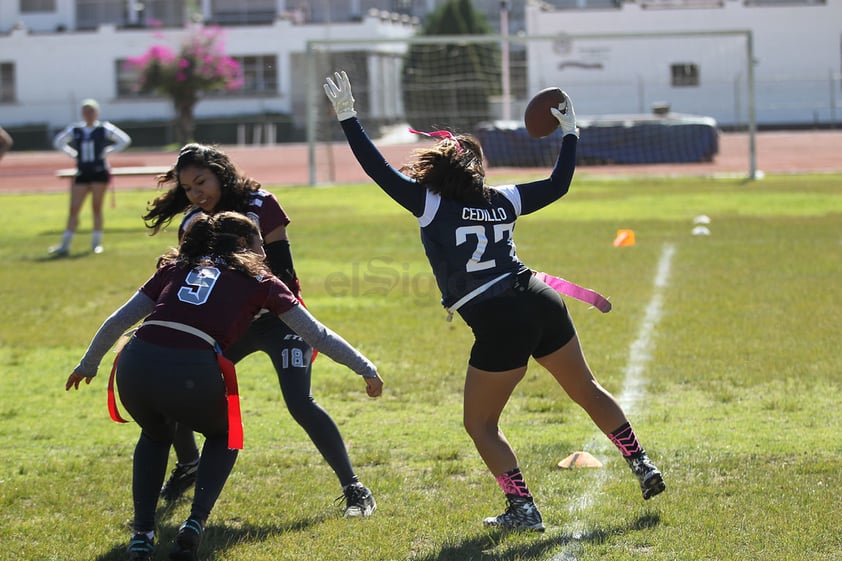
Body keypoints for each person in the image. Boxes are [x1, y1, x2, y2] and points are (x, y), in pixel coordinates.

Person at [323, 71, 665, 531]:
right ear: (477, 169)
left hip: (499, 316)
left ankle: (523, 509)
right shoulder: (502, 199)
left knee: (480, 424)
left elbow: (376, 168)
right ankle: (641, 462)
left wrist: (348, 117)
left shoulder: (430, 203)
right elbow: (558, 184)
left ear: (438, 168)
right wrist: (570, 134)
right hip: (541, 299)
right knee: (586, 389)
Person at [65, 211, 382, 561]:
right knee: (225, 435)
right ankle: (195, 522)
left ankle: (142, 534)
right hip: (190, 365)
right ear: (246, 243)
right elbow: (316, 333)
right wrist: (364, 367)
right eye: (260, 241)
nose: (265, 250)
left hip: (135, 362)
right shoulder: (260, 278)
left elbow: (117, 320)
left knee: (155, 435)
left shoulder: (176, 266)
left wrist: (88, 364)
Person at [142, 143, 378, 517]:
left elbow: (282, 268)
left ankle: (355, 488)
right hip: (229, 327)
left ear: (221, 171)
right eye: (188, 188)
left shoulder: (260, 203)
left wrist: (244, 295)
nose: (196, 193)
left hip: (279, 319)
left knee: (300, 402)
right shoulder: (194, 222)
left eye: (201, 181)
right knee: (176, 386)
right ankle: (189, 462)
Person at [50, 98, 131, 256]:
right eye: (86, 111)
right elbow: (59, 141)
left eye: (91, 111)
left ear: (97, 113)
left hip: (99, 172)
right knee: (74, 208)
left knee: (96, 208)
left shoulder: (103, 128)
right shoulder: (76, 129)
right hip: (82, 172)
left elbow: (124, 140)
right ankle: (65, 245)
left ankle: (96, 244)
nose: (88, 114)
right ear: (82, 113)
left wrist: (106, 152)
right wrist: (73, 154)